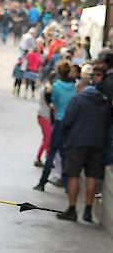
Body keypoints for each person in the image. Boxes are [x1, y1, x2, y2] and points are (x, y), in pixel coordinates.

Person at [57, 80, 111, 221]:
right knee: (91, 177)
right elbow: (107, 124)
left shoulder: (77, 99)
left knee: (73, 175)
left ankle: (72, 209)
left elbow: (67, 121)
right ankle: (88, 211)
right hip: (97, 144)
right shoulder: (104, 102)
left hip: (77, 142)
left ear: (81, 87)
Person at [34, 60, 77, 191]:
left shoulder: (56, 86)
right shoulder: (74, 87)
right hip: (70, 123)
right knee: (66, 154)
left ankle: (42, 182)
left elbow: (53, 102)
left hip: (58, 121)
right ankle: (66, 184)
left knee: (52, 153)